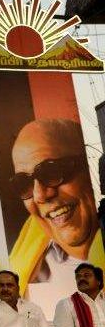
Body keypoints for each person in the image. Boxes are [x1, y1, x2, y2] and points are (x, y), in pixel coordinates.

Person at [8, 119, 101, 311]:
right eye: (23, 184)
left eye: (51, 171)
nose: (40, 195)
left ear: (86, 164)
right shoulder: (27, 261)